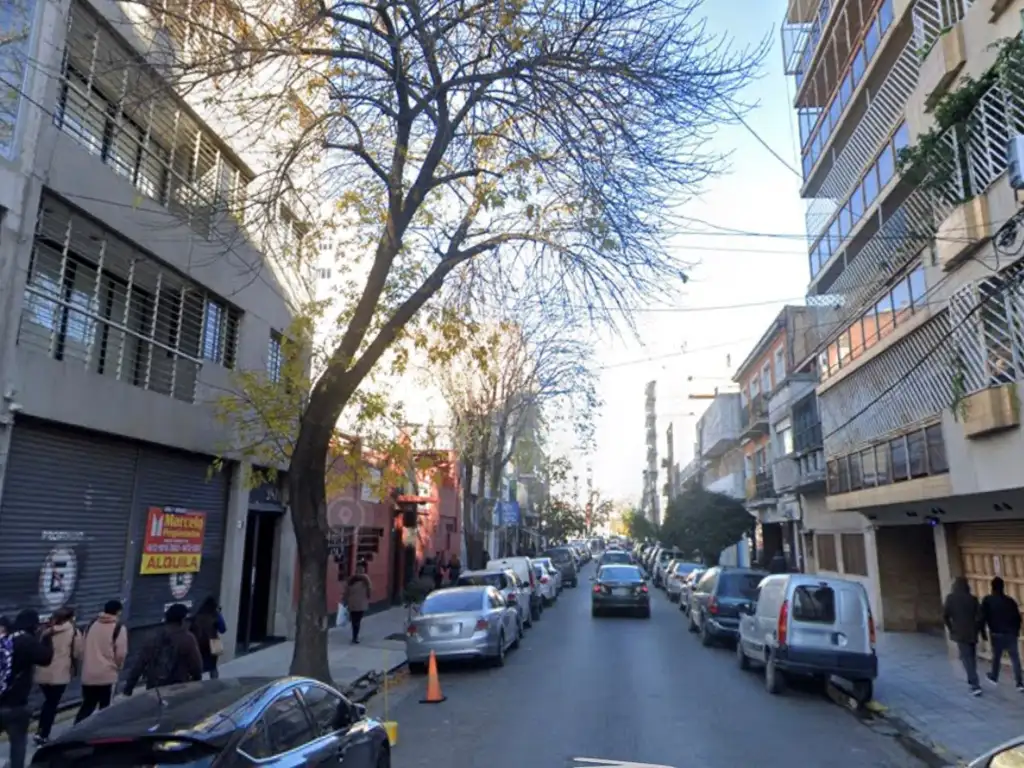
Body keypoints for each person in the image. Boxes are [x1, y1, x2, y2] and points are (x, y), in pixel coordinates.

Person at [0, 610, 54, 768]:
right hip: (17, 705)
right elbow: (45, 658)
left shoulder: (7, 641)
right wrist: (46, 636)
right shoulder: (25, 641)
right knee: (18, 744)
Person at [123, 603, 202, 695]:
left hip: (154, 690)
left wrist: (129, 688)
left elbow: (139, 665)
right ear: (183, 620)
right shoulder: (188, 638)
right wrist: (197, 681)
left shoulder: (153, 637)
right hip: (178, 690)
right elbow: (196, 666)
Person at [33, 606, 82, 745]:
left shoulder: (45, 631)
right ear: (71, 617)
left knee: (48, 702)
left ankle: (40, 731)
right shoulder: (73, 632)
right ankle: (43, 734)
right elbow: (78, 652)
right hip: (59, 675)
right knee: (51, 704)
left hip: (42, 672)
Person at [76, 599, 127, 723]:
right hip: (107, 675)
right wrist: (118, 666)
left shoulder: (91, 624)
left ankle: (76, 731)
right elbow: (121, 653)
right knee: (106, 708)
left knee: (87, 705)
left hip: (88, 674)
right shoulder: (119, 628)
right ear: (118, 612)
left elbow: (81, 648)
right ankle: (101, 734)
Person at [944, 576, 985, 696]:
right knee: (971, 656)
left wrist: (951, 628)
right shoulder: (972, 599)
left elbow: (945, 615)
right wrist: (979, 629)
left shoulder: (950, 599)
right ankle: (972, 679)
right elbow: (980, 616)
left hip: (959, 631)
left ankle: (974, 683)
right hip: (972, 631)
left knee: (966, 657)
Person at [982, 576, 1024, 691]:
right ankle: (1019, 683)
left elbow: (983, 617)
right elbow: (1018, 618)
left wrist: (982, 632)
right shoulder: (1010, 601)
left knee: (996, 656)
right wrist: (1016, 631)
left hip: (996, 633)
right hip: (1011, 633)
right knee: (1015, 658)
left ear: (992, 587)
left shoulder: (988, 600)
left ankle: (994, 676)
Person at [190, 597, 226, 680]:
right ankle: (214, 685)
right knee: (213, 667)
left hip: (200, 642)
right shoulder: (216, 615)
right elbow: (223, 629)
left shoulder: (198, 615)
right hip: (214, 642)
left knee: (200, 667)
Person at [343, 564, 372, 644]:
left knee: (353, 620)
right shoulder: (365, 579)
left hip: (352, 603)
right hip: (361, 603)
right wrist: (368, 597)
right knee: (358, 620)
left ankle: (354, 635)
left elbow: (346, 592)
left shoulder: (351, 580)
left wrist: (345, 601)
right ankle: (355, 637)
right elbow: (369, 590)